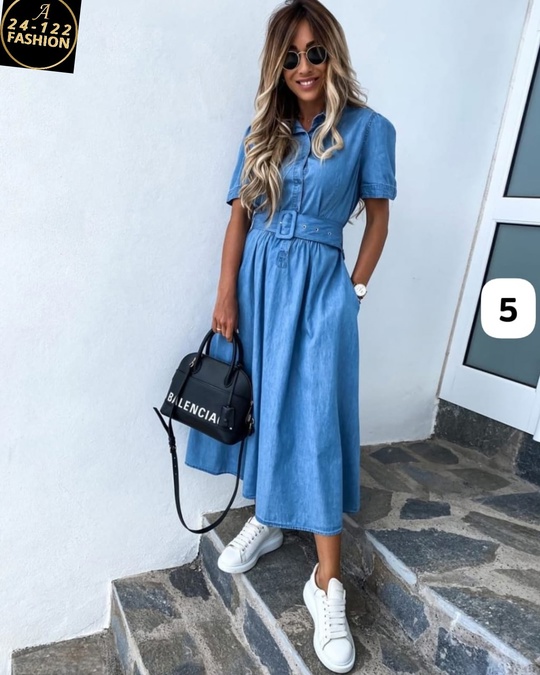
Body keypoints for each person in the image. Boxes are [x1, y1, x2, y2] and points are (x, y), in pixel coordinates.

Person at [184, 0, 397, 671]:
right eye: (291, 57)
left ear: (333, 55)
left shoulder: (369, 129)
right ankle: (271, 516)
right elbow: (240, 218)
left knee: (316, 418)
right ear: (277, 66)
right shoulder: (263, 132)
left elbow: (378, 220)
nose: (304, 67)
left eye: (315, 53)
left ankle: (326, 583)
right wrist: (225, 293)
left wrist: (352, 294)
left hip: (320, 290)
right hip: (256, 284)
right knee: (263, 404)